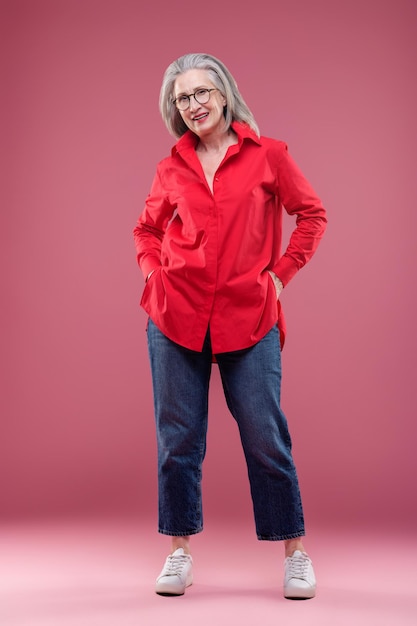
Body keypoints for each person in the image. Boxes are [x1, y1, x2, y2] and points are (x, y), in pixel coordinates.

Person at [133, 52, 327, 599]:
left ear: (222, 93)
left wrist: (281, 275)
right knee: (178, 440)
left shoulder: (269, 155)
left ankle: (295, 553)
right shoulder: (171, 167)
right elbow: (146, 230)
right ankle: (178, 553)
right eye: (181, 99)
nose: (192, 105)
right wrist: (154, 278)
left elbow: (311, 214)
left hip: (249, 313)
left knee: (266, 435)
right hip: (176, 315)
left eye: (199, 93)